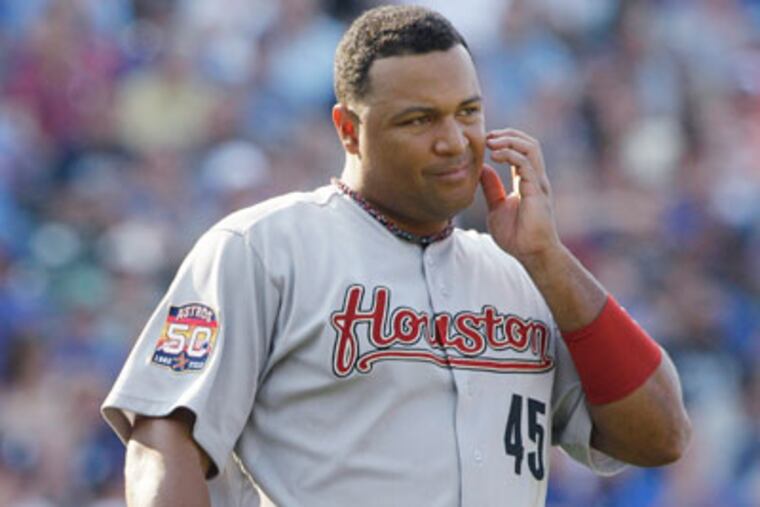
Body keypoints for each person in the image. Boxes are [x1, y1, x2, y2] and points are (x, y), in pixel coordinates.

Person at [102, 5, 691, 506]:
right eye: (419, 119)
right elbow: (163, 437)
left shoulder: (524, 277)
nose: (454, 140)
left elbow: (660, 435)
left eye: (468, 112)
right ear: (349, 131)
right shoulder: (263, 249)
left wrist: (549, 259)